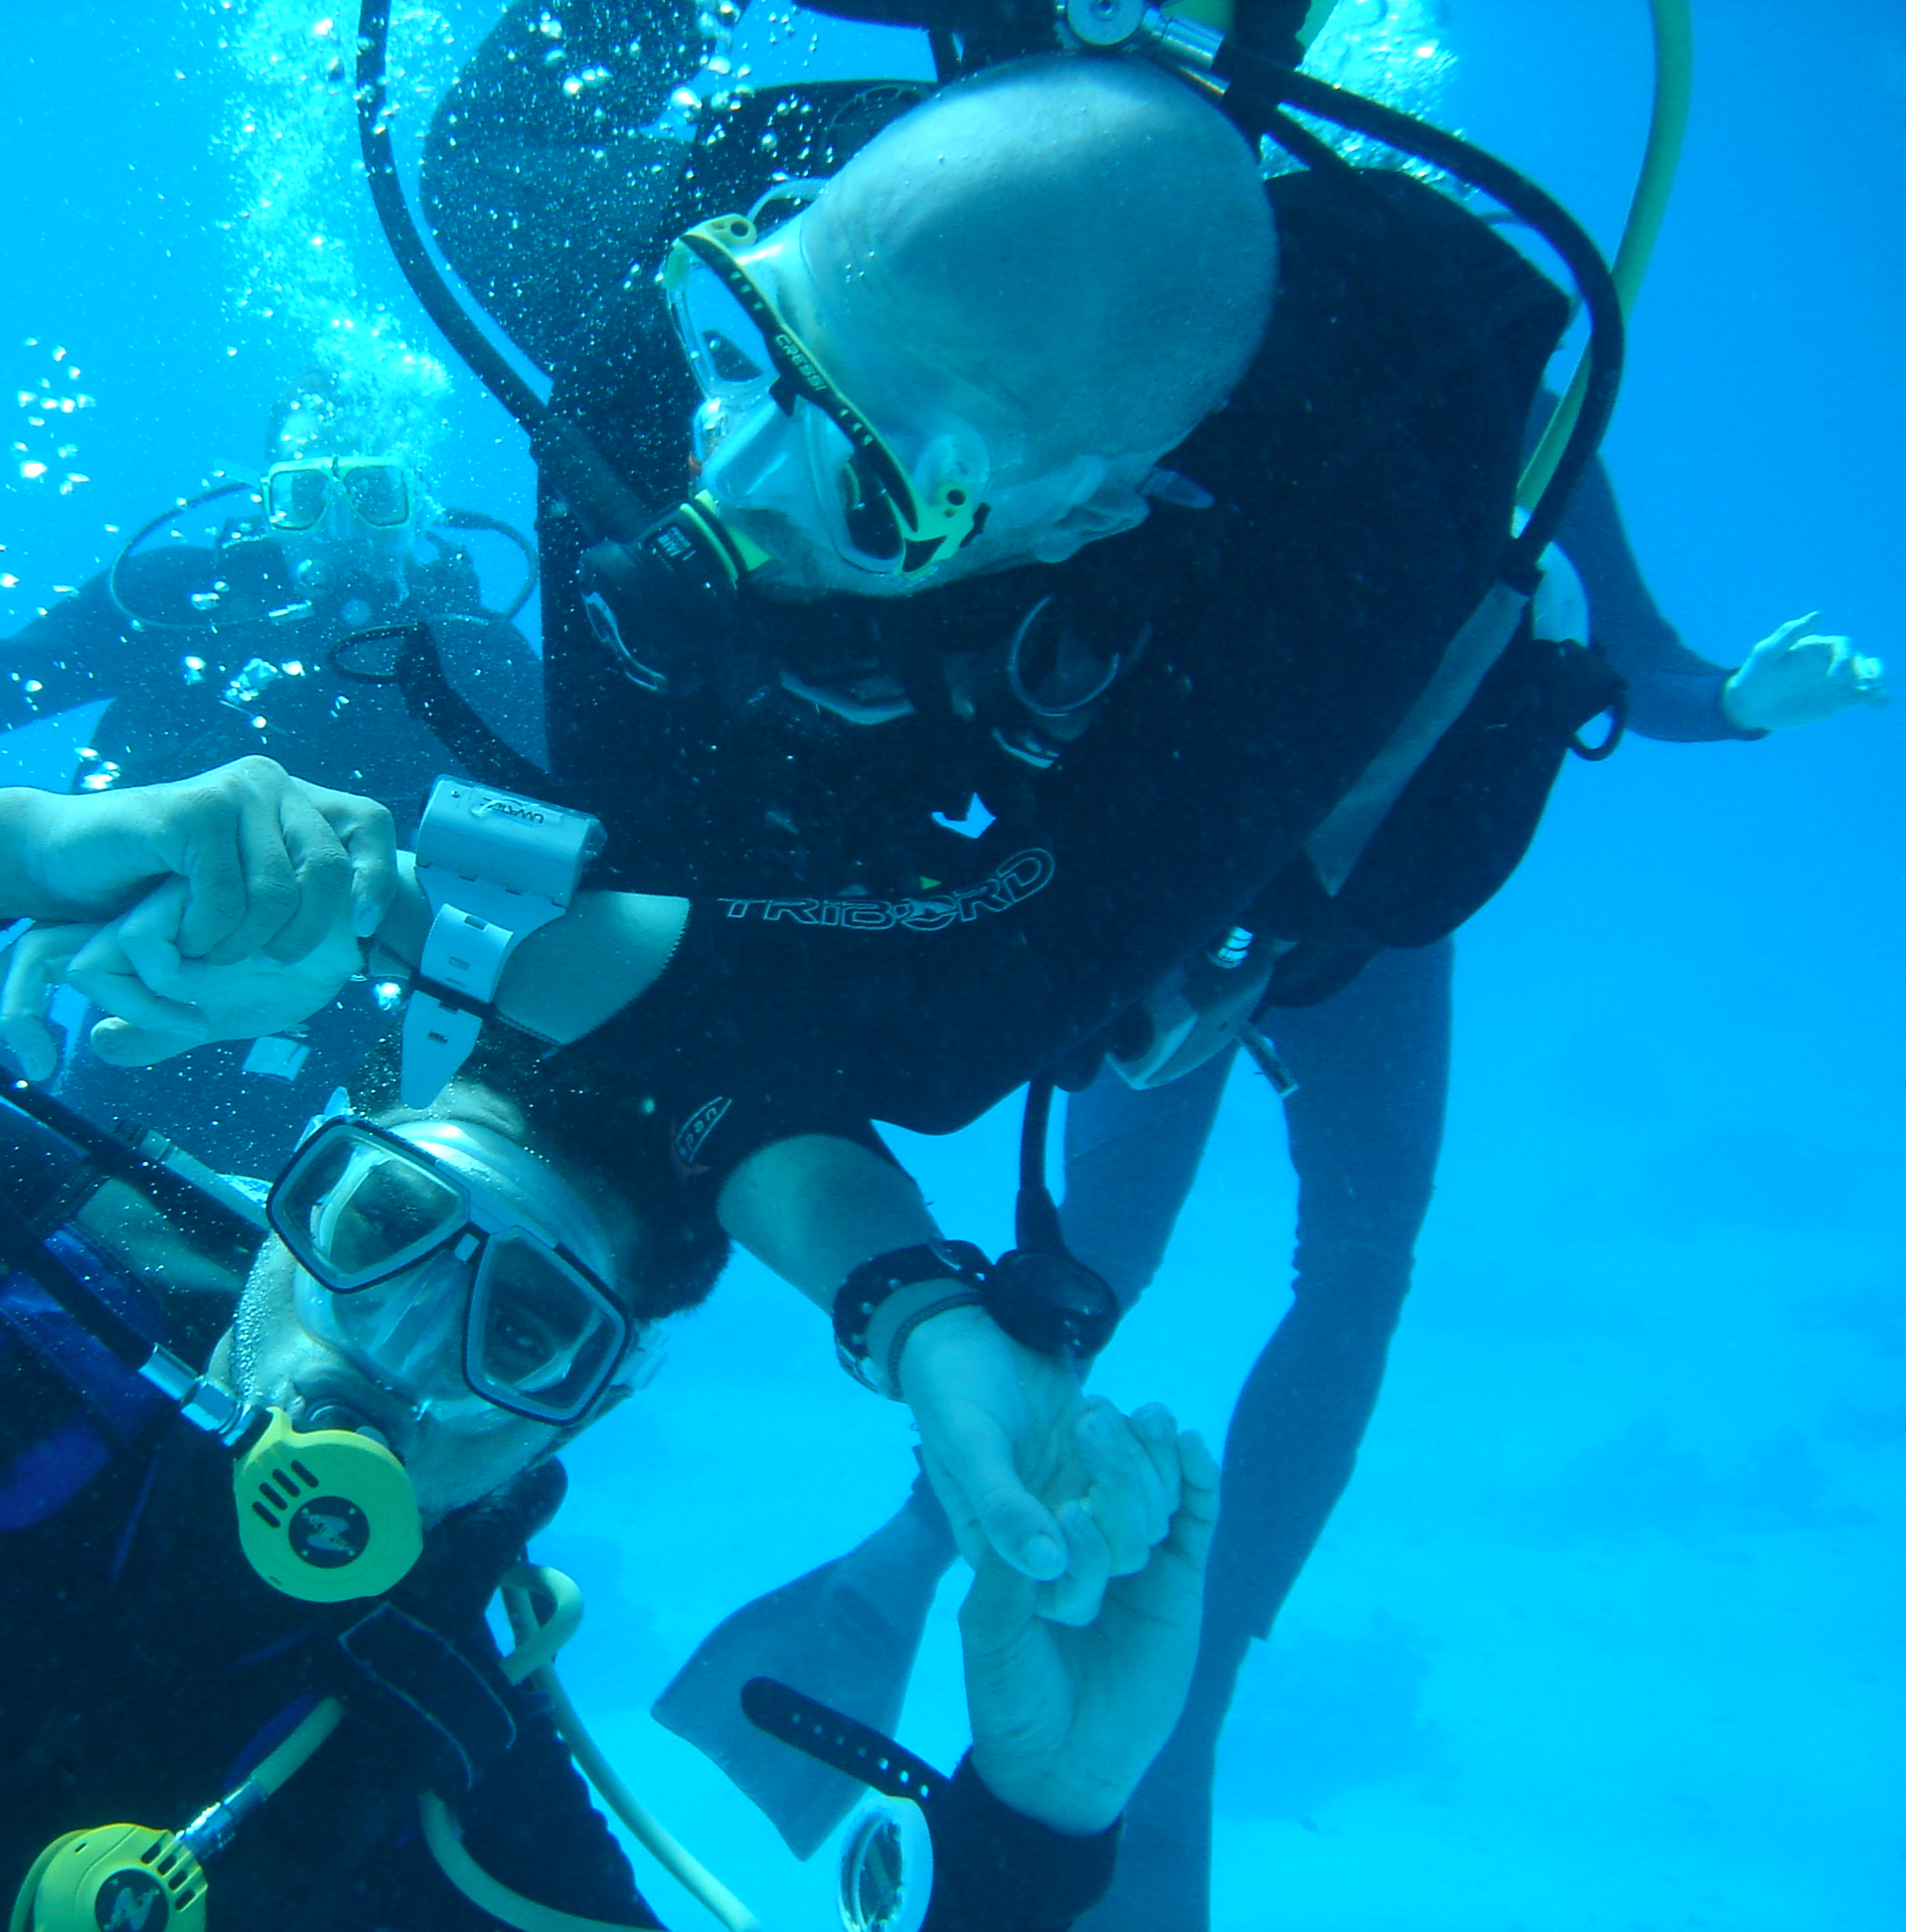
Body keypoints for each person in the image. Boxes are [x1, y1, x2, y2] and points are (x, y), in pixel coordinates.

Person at [0, 758, 1212, 1932]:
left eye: (527, 1324)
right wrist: (17, 845)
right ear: (302, 1175)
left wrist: (1042, 1815)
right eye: (382, 1227)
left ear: (585, 1406)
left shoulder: (420, 1739)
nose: (398, 1349)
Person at [402, 0, 1602, 1607]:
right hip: (899, 748)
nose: (728, 483)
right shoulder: (668, 320)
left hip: (1220, 836)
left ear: (1084, 515)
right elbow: (655, 931)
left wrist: (414, 912)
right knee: (487, 186)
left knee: (1330, 1048)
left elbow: (950, 1029)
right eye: (743, 346)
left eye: (868, 485)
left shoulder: (1308, 568)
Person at [1051, 485, 1885, 1926]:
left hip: (1373, 922)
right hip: (1192, 881)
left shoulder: (1546, 419)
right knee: (1103, 1261)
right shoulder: (1220, 367)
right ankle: (924, 1559)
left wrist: (1740, 703)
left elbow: (1632, 656)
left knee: (1354, 1271)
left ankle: (1196, 1688)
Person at [0, 375, 546, 1177]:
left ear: (420, 505)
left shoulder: (479, 653)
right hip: (148, 963)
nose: (339, 527)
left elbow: (561, 846)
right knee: (107, 1210)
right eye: (305, 495)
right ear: (266, 499)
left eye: (374, 494)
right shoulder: (172, 599)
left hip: (368, 991)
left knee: (350, 1223)